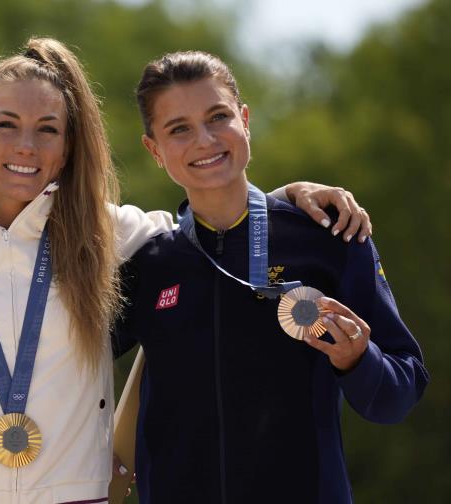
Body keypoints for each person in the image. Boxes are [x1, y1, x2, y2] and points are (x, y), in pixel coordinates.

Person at [0, 38, 370, 503]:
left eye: (48, 129)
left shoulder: (111, 233)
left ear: (67, 148)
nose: (26, 146)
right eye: (6, 124)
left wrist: (284, 200)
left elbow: (211, 229)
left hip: (75, 494)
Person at [114, 51, 428, 504]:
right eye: (178, 128)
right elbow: (68, 363)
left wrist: (359, 360)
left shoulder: (330, 236)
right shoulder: (149, 265)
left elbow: (398, 394)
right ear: (154, 150)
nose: (204, 139)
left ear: (245, 120)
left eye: (218, 117)